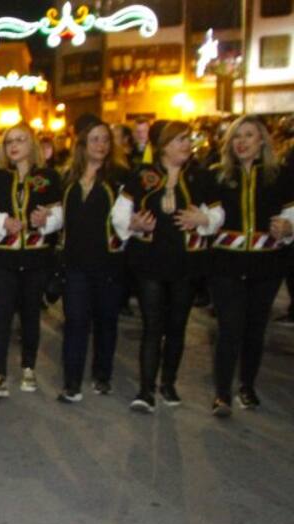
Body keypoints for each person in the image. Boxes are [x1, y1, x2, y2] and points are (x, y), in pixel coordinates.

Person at [113, 121, 222, 413]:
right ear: (163, 146)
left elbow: (217, 213)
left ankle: (169, 383)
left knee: (177, 325)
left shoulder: (200, 176)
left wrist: (204, 220)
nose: (187, 144)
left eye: (188, 139)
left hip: (186, 263)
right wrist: (134, 224)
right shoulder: (142, 176)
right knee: (152, 326)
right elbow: (120, 213)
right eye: (179, 140)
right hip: (149, 261)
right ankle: (146, 389)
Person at [207, 115, 294, 416]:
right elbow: (211, 217)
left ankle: (247, 386)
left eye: (248, 135)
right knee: (229, 328)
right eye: (236, 136)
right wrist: (204, 220)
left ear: (262, 141)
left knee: (256, 329)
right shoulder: (217, 176)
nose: (241, 142)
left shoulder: (280, 176)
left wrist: (289, 227)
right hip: (226, 265)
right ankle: (222, 394)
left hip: (266, 266)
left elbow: (291, 214)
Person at [0, 123, 63, 401]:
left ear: (32, 144)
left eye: (20, 140)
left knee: (30, 315)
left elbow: (59, 214)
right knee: (1, 316)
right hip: (1, 257)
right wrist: (2, 221)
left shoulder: (49, 177)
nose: (14, 146)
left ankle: (28, 367)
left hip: (36, 257)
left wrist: (46, 220)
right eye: (9, 141)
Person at [56, 120, 132, 402]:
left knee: (105, 321)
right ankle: (71, 382)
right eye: (95, 139)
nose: (101, 145)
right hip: (74, 262)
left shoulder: (120, 178)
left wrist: (136, 224)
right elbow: (60, 217)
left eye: (105, 140)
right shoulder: (67, 177)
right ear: (83, 144)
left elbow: (128, 217)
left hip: (108, 262)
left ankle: (102, 375)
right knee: (75, 321)